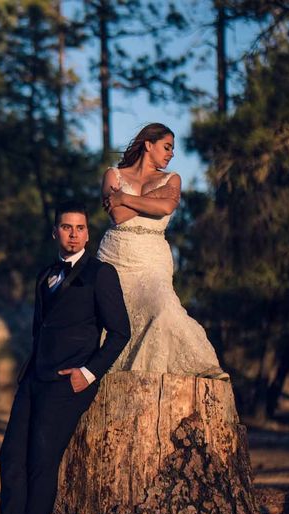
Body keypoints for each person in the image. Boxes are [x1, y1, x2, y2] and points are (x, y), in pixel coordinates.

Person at [0, 202, 130, 514]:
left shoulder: (101, 274)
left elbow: (119, 333)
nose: (74, 234)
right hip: (33, 379)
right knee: (11, 459)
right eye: (67, 227)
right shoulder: (45, 274)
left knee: (41, 465)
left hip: (69, 383)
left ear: (88, 232)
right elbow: (40, 329)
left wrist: (88, 373)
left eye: (80, 228)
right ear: (55, 231)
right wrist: (29, 373)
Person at [99, 122, 229, 380]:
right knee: (111, 317)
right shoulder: (113, 175)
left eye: (173, 149)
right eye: (167, 147)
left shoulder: (172, 179)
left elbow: (166, 207)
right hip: (114, 256)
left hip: (152, 257)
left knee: (163, 307)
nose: (171, 154)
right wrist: (151, 198)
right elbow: (118, 216)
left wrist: (124, 197)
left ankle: (197, 368)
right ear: (148, 144)